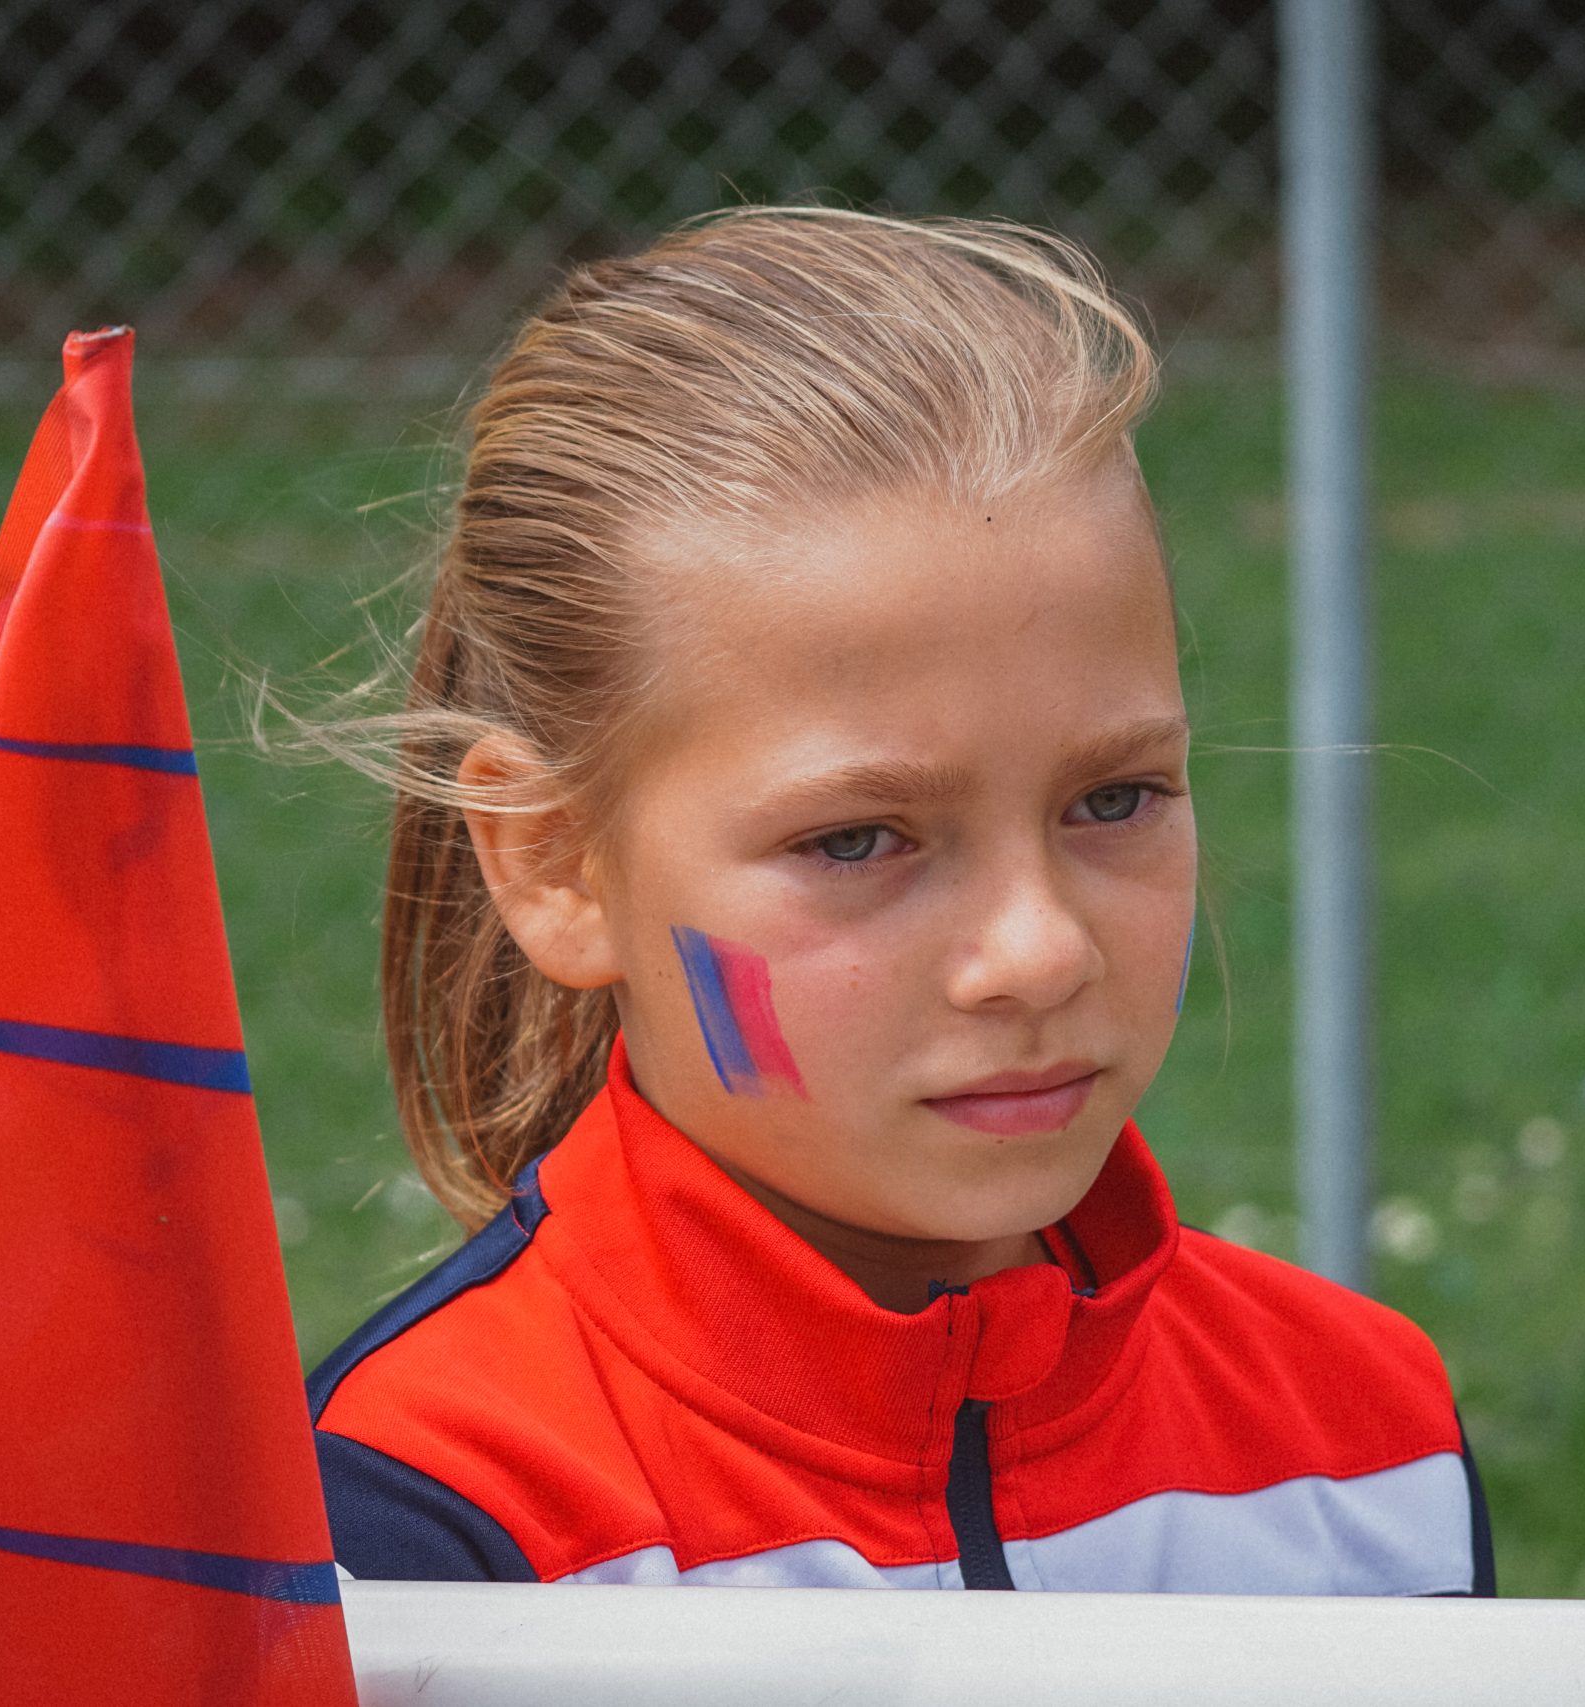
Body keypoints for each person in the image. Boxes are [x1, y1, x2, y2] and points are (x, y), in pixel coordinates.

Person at [304, 206, 1494, 1594]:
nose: (1037, 952)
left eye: (1113, 800)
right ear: (558, 867)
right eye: (860, 839)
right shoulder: (420, 1515)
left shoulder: (1360, 1440)